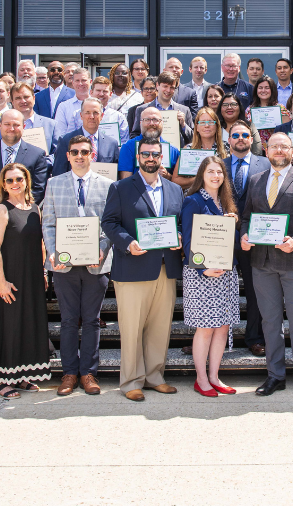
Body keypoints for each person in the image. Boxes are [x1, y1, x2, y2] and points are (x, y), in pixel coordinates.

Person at [240, 133, 293, 400]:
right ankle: (275, 375)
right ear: (267, 151)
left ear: (292, 150)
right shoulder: (255, 181)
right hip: (262, 264)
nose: (279, 150)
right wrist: (244, 235)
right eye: (274, 146)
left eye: (284, 146)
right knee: (270, 322)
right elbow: (246, 219)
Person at [102, 137, 184, 401]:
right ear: (138, 157)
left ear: (163, 158)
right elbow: (110, 223)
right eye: (146, 154)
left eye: (156, 154)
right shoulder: (121, 187)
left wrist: (180, 237)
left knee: (160, 327)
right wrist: (128, 243)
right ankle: (131, 381)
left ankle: (154, 376)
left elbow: (180, 223)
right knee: (132, 327)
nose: (151, 158)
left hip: (165, 267)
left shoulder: (174, 190)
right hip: (133, 266)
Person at [43, 136, 113, 397]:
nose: (80, 156)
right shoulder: (54, 184)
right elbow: (49, 223)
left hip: (96, 263)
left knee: (93, 321)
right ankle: (69, 373)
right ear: (68, 156)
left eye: (85, 151)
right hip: (64, 265)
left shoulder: (107, 185)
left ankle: (89, 373)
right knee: (69, 320)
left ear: (92, 154)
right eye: (75, 152)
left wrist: (102, 249)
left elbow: (109, 224)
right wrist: (53, 251)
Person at [0, 162, 51, 398]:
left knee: (27, 324)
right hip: (10, 276)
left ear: (27, 181)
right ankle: (1, 381)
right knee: (9, 327)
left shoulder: (35, 208)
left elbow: (41, 243)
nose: (15, 184)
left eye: (19, 179)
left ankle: (21, 376)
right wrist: (1, 281)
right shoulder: (1, 210)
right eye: (10, 180)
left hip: (32, 275)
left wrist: (43, 272)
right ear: (3, 184)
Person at [180, 156, 242, 397]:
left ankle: (215, 377)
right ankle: (201, 379)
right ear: (202, 175)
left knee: (222, 327)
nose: (216, 176)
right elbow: (187, 240)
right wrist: (202, 268)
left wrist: (234, 224)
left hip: (225, 274)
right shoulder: (193, 201)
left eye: (219, 172)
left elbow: (230, 243)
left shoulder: (226, 204)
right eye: (211, 172)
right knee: (206, 328)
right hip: (202, 275)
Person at [226, 121, 272, 357]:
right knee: (220, 289)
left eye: (245, 134)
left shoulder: (265, 163)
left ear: (252, 139)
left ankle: (254, 337)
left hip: (254, 237)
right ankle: (217, 337)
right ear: (229, 139)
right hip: (223, 237)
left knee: (256, 290)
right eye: (236, 135)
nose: (241, 138)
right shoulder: (218, 165)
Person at [0, 109, 49, 222]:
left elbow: (38, 190)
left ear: (24, 126)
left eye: (16, 125)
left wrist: (19, 212)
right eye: (7, 124)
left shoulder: (37, 154)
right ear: (0, 125)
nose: (11, 128)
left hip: (23, 222)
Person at [0, 82, 59, 157]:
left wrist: (41, 163)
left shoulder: (51, 125)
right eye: (18, 98)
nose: (23, 101)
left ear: (34, 98)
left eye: (26, 97)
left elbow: (57, 154)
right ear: (12, 102)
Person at [53, 97, 121, 177]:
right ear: (81, 115)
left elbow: (116, 175)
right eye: (87, 112)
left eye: (95, 113)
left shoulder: (111, 144)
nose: (91, 116)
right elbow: (59, 173)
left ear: (102, 116)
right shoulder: (66, 140)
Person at [117, 106, 182, 178]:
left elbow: (177, 184)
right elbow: (125, 183)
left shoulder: (173, 151)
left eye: (155, 120)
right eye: (147, 120)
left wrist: (167, 175)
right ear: (140, 123)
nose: (151, 123)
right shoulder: (128, 147)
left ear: (162, 123)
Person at [173, 106, 227, 191]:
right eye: (202, 122)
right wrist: (200, 179)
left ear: (217, 126)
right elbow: (175, 181)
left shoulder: (226, 148)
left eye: (210, 122)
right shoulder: (188, 149)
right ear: (197, 127)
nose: (206, 125)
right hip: (193, 199)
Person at [52, 67, 94, 135]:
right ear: (73, 83)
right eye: (77, 80)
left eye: (84, 80)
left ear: (90, 82)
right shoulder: (63, 107)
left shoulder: (98, 105)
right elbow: (60, 133)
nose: (80, 83)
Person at [248, 76, 286, 147]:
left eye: (267, 88)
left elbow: (287, 129)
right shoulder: (249, 110)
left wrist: (275, 128)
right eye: (260, 88)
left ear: (272, 90)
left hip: (276, 148)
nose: (263, 90)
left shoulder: (281, 109)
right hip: (255, 149)